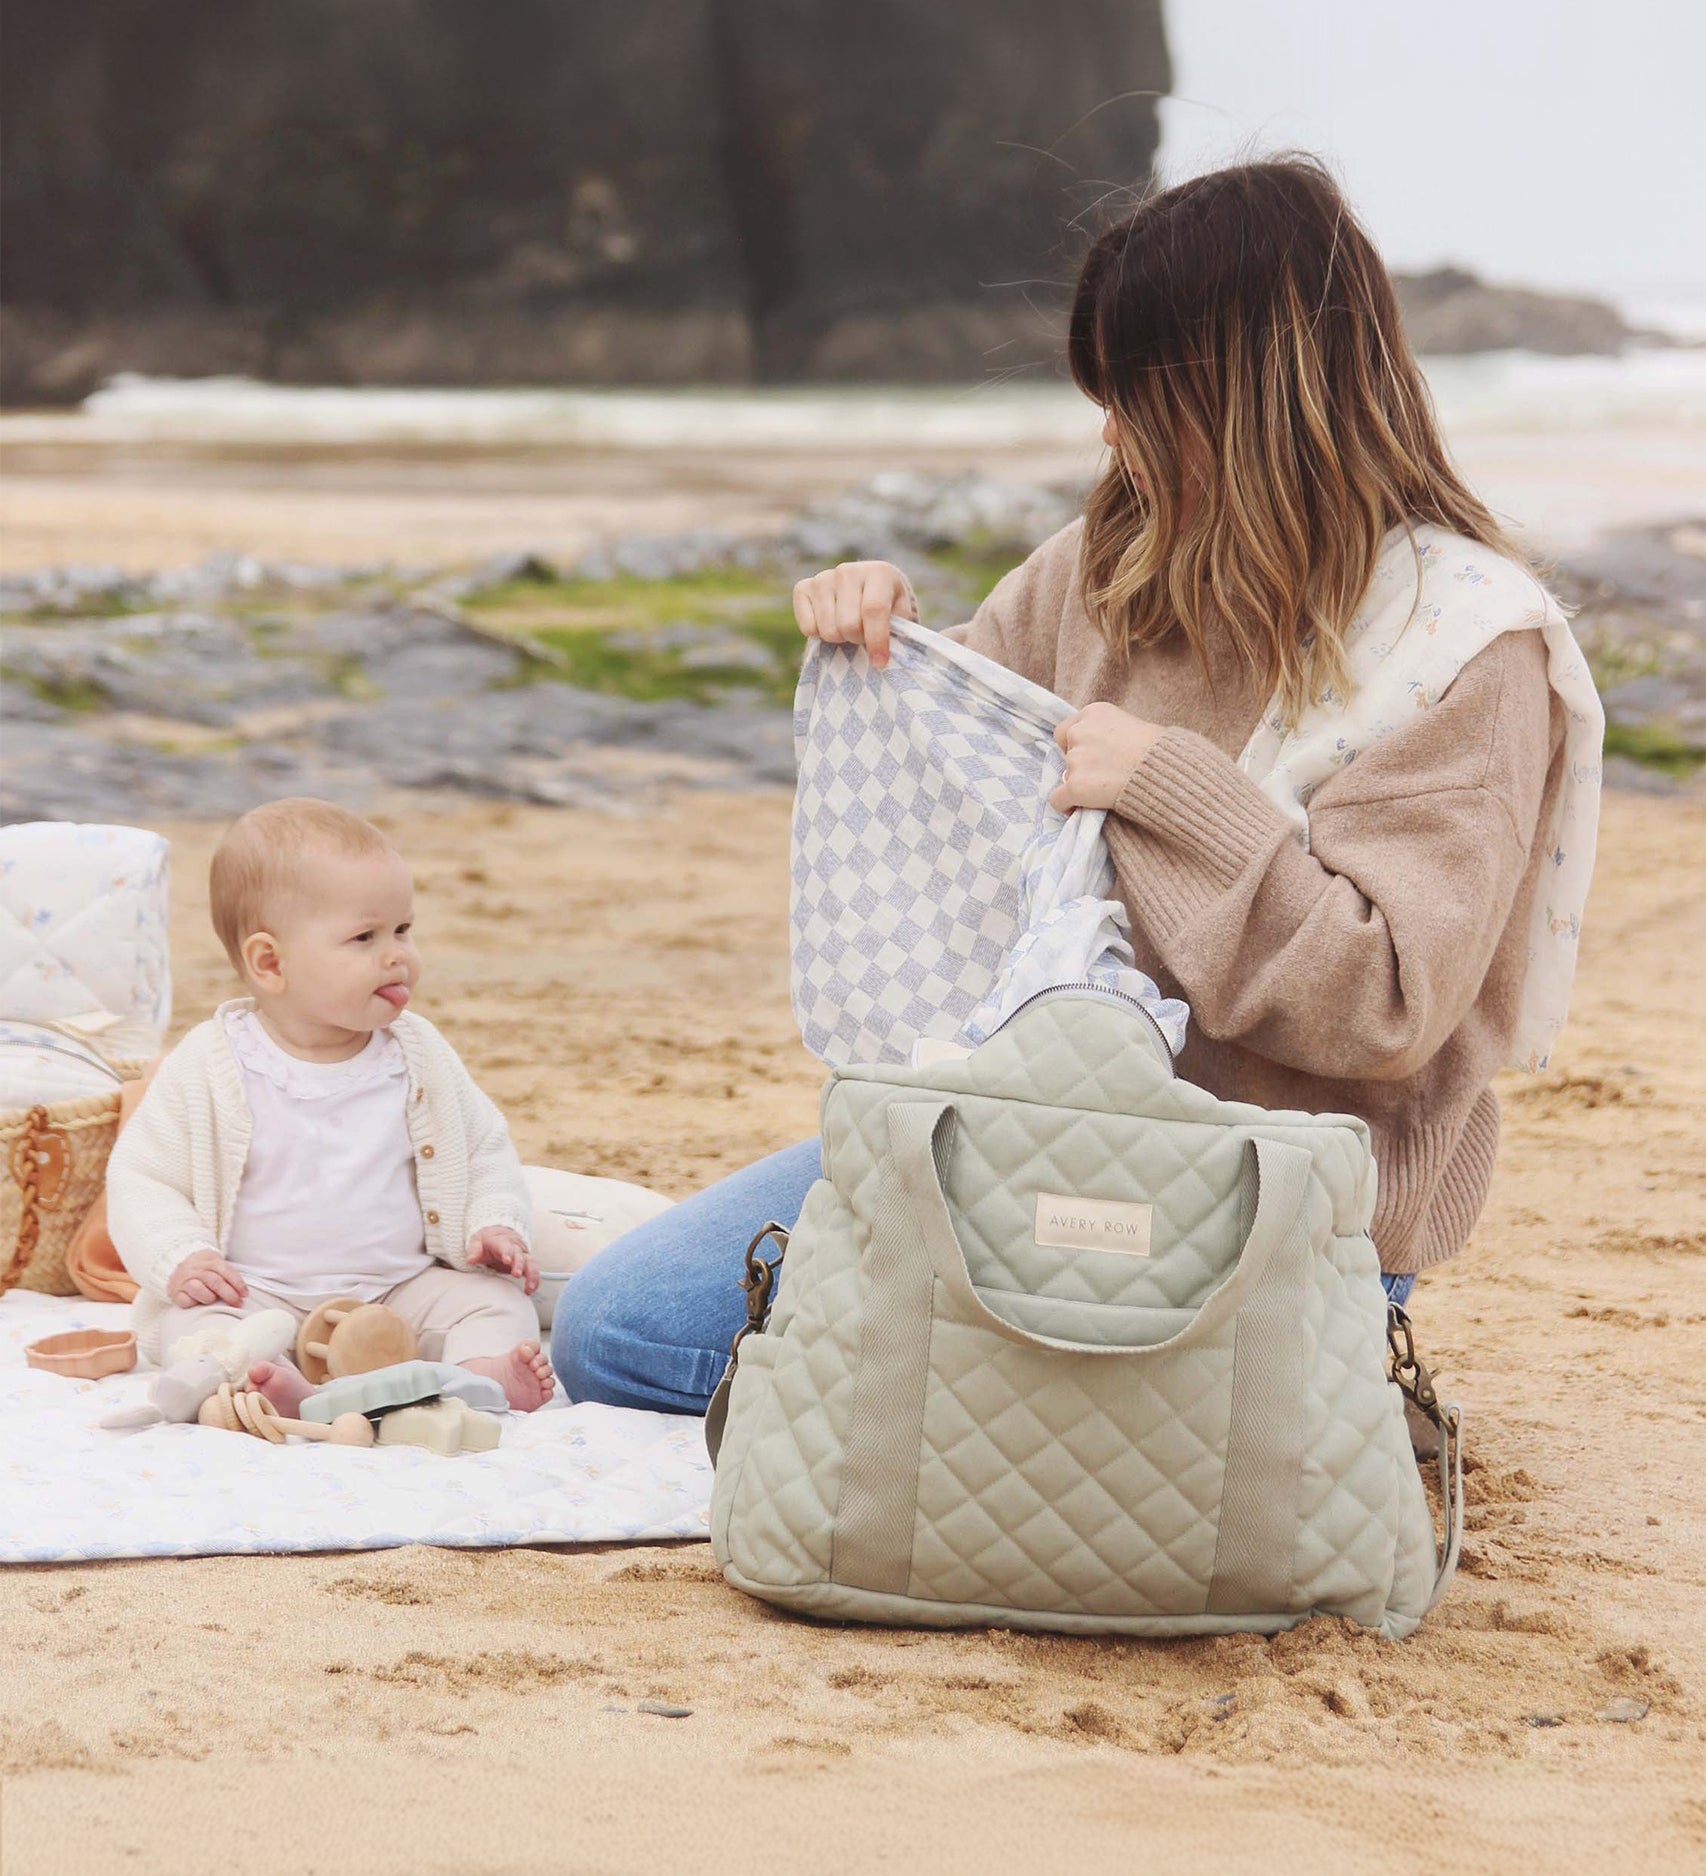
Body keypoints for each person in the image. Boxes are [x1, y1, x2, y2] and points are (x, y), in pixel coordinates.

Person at [554, 156, 1589, 1415]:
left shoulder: (1462, 644)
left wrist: (1175, 793)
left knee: (1075, 1430)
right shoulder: (1106, 564)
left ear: (1241, 397)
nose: (1107, 435)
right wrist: (889, 645)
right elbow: (957, 826)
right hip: (1012, 1139)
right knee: (614, 1334)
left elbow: (1381, 1006)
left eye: (1133, 398)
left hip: (1279, 1201)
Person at [108, 797, 554, 1412]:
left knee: (496, 1301)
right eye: (364, 937)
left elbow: (482, 1148)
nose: (397, 954)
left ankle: (477, 1375)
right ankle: (283, 1386)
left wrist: (493, 1223)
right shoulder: (212, 1063)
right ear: (271, 963)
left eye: (403, 929)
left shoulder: (418, 1054)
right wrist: (183, 1256)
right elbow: (141, 1175)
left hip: (400, 1289)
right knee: (201, 1331)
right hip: (261, 1294)